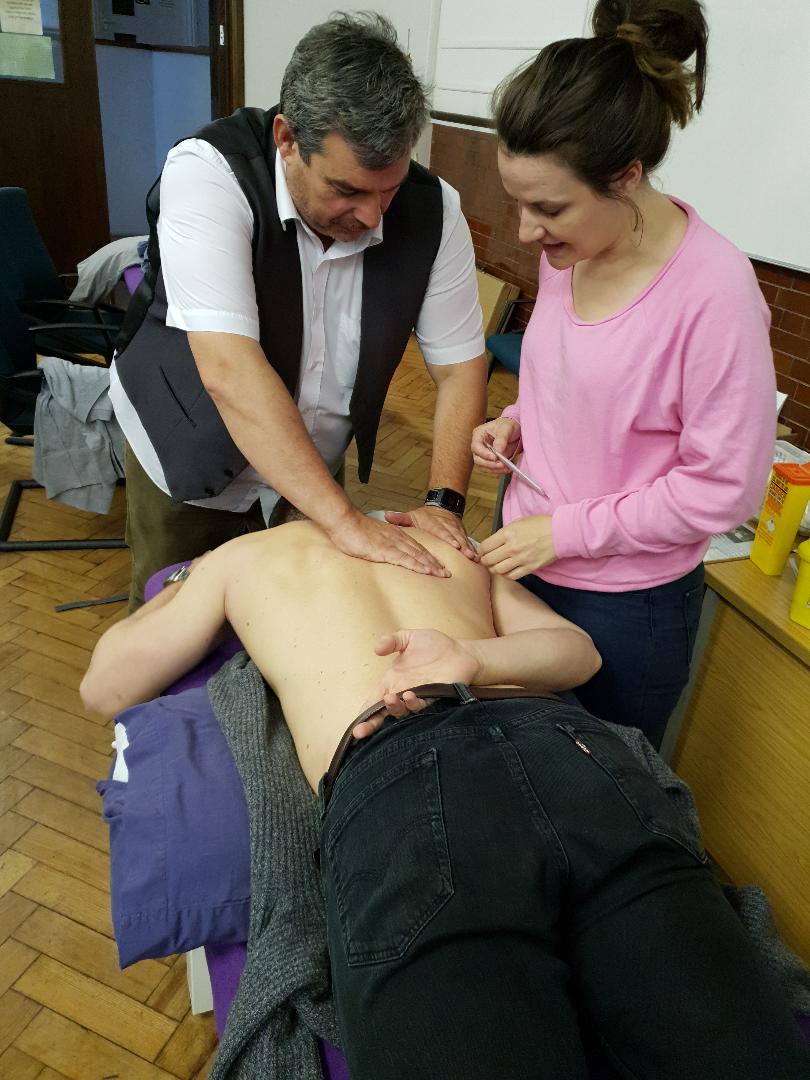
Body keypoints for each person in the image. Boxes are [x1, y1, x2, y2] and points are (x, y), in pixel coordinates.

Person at [81, 523, 807, 1080]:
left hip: (397, 774)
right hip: (570, 750)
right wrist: (474, 659)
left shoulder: (243, 556)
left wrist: (189, 582)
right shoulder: (441, 542)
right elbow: (577, 653)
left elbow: (105, 688)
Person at [471, 0, 776, 749]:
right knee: (510, 760)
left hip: (623, 603)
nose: (527, 232)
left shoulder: (714, 292)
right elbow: (572, 381)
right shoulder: (570, 250)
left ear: (626, 177)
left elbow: (723, 488)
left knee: (599, 789)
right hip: (524, 552)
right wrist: (517, 424)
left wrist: (565, 532)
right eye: (517, 203)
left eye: (548, 208)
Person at [111, 12, 488, 610]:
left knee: (294, 620)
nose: (372, 217)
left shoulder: (435, 210)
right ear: (287, 139)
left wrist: (444, 503)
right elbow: (231, 371)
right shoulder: (209, 173)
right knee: (172, 623)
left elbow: (460, 369)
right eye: (347, 190)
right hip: (190, 451)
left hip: (311, 464)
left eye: (388, 190)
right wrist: (343, 520)